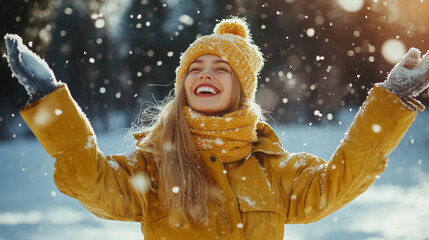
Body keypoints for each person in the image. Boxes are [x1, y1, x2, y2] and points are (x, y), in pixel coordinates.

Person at [4, 18, 429, 240]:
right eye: (195, 68)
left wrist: (391, 100)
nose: (204, 74)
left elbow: (338, 183)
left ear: (241, 89)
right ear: (184, 85)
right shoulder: (152, 166)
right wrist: (48, 96)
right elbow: (87, 180)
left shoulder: (274, 170)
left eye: (221, 68)